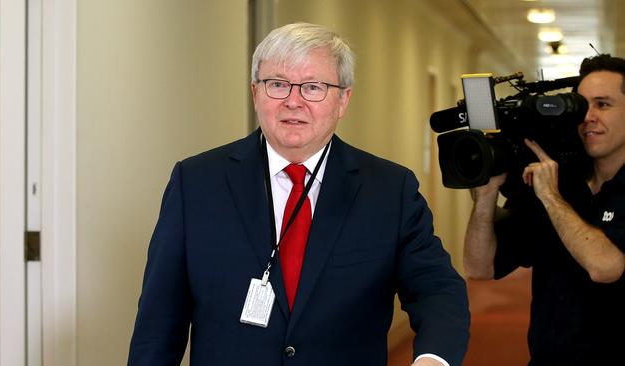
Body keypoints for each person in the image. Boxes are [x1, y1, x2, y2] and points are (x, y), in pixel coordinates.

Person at [128, 22, 470, 366]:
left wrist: (433, 359)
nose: (293, 101)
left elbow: (437, 290)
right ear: (255, 93)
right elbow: (159, 323)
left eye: (313, 87)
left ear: (343, 99)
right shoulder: (197, 182)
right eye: (277, 84)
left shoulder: (389, 190)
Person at [464, 53, 625, 365]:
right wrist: (485, 198)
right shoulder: (559, 179)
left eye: (603, 104)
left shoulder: (553, 191)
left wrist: (551, 198)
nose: (589, 116)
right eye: (582, 105)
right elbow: (479, 267)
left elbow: (605, 267)